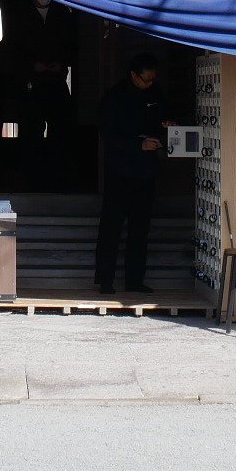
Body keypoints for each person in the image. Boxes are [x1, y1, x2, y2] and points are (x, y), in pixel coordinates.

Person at [96, 52, 169, 294]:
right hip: (120, 169)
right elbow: (108, 134)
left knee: (141, 229)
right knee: (112, 227)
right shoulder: (115, 97)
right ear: (133, 75)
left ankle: (134, 280)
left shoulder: (156, 93)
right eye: (145, 80)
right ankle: (105, 281)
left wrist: (167, 127)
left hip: (146, 171)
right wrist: (137, 145)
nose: (149, 84)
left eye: (152, 79)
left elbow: (162, 119)